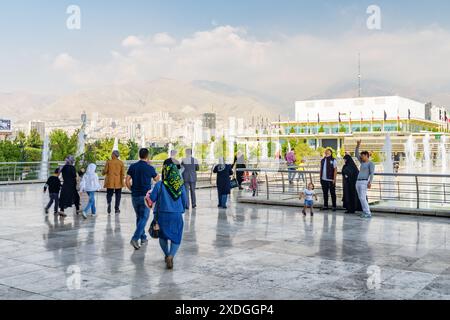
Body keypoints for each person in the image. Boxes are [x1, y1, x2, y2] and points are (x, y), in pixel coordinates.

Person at [149, 163, 187, 270]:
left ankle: (166, 254)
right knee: (176, 236)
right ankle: (171, 256)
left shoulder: (160, 185)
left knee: (162, 236)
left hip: (161, 214)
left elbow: (152, 198)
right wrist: (181, 209)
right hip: (176, 214)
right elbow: (185, 200)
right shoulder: (180, 185)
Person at [126, 148, 160, 250]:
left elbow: (126, 180)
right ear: (147, 156)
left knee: (139, 217)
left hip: (135, 196)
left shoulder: (133, 166)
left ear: (139, 155)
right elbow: (157, 179)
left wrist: (131, 189)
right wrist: (151, 167)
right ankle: (135, 238)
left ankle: (143, 237)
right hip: (145, 197)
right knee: (144, 218)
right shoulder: (149, 168)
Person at [355, 140, 375, 219]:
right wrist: (358, 145)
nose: (361, 157)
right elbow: (356, 154)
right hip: (358, 181)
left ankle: (368, 212)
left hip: (364, 182)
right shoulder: (362, 162)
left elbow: (372, 173)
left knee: (363, 198)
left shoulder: (371, 163)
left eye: (362, 156)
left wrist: (370, 182)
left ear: (367, 155)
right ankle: (365, 211)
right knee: (360, 198)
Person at [103, 150, 125, 214]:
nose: (111, 155)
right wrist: (122, 181)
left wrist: (103, 172)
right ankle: (117, 209)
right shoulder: (121, 163)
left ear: (114, 155)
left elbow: (105, 171)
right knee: (118, 195)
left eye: (112, 154)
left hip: (110, 181)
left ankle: (109, 203)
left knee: (109, 194)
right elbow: (123, 173)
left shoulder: (109, 162)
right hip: (118, 181)